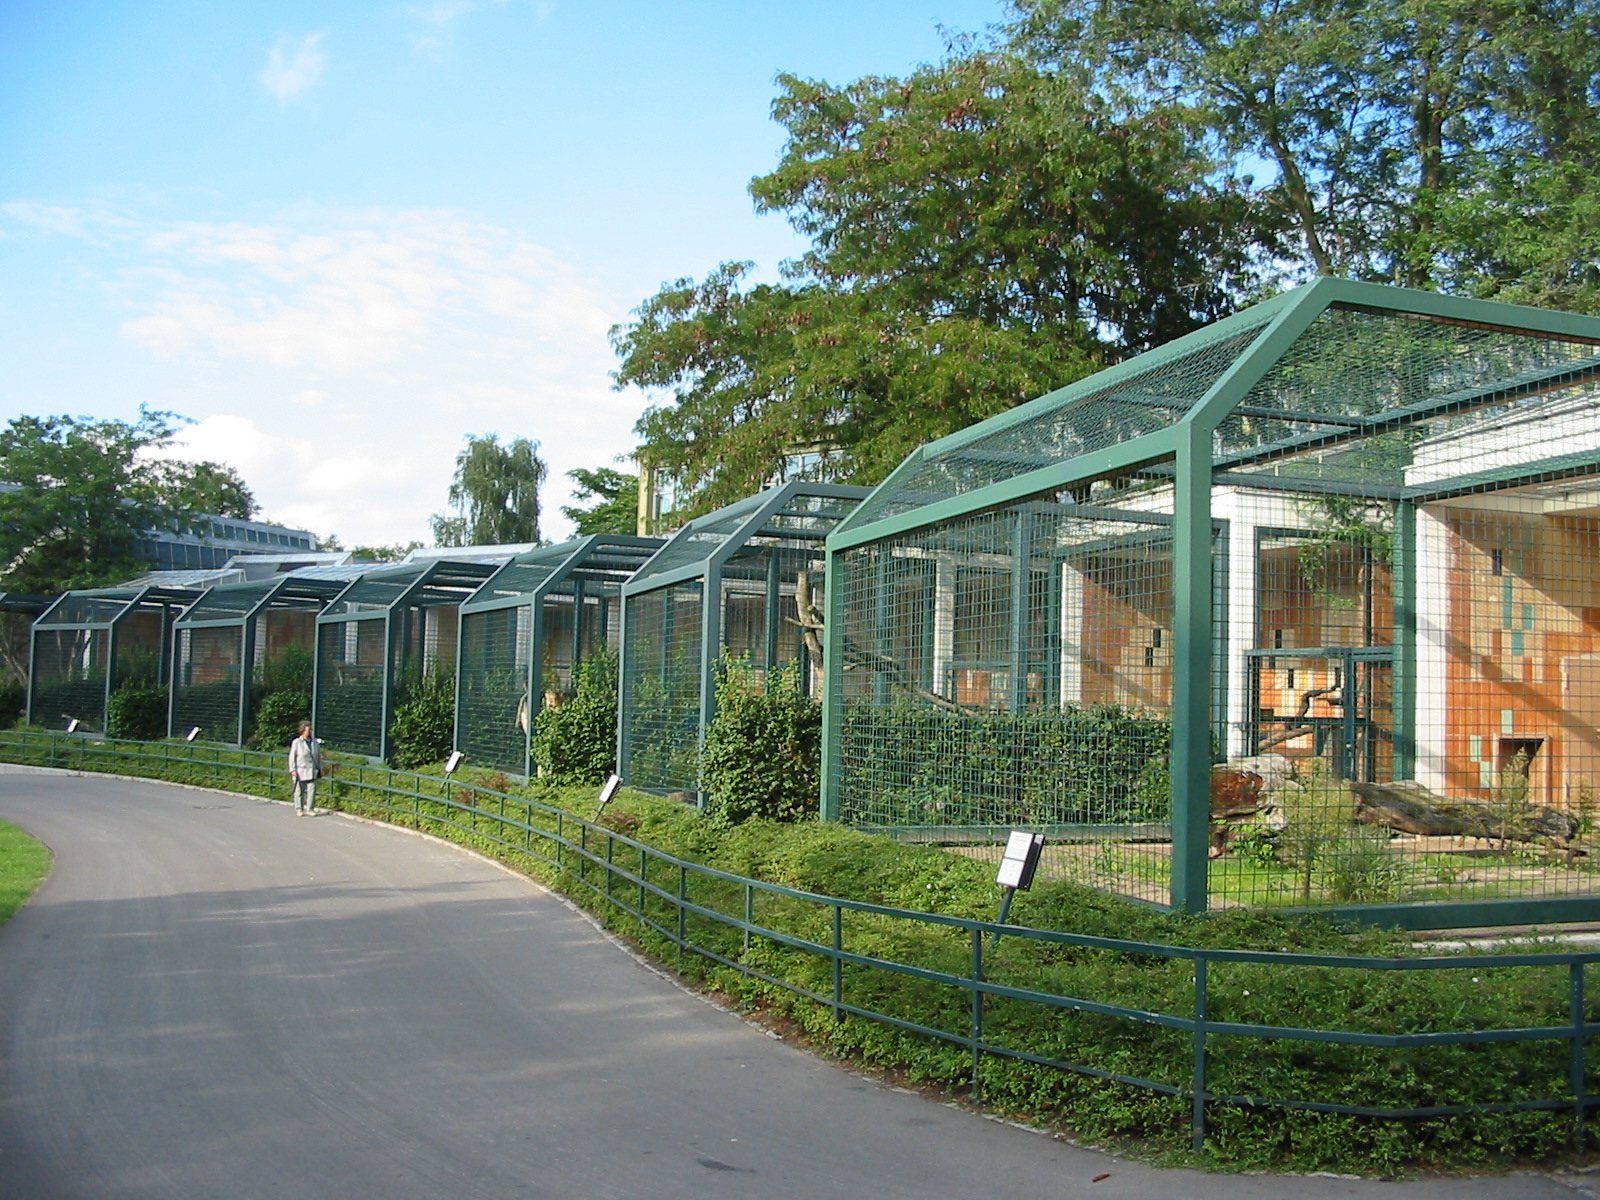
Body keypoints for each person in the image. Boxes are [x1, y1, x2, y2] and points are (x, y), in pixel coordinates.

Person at [288, 721, 322, 816]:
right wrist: (292, 770)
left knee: (312, 790)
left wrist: (320, 768)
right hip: (300, 770)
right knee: (299, 791)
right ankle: (299, 808)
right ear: (303, 731)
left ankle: (310, 808)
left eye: (311, 730)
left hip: (312, 770)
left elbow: (318, 756)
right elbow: (292, 757)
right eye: (308, 730)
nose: (310, 732)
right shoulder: (297, 742)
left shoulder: (315, 742)